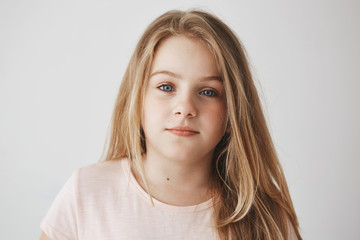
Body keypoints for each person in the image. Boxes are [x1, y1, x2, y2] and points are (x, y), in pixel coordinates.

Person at [40, 9, 302, 240]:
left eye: (208, 92)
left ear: (233, 115)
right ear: (136, 100)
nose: (185, 107)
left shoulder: (267, 218)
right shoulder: (86, 192)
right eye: (166, 87)